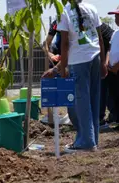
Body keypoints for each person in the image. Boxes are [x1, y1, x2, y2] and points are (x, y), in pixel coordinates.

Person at [44, 0, 107, 152]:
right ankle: (92, 140)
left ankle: (85, 142)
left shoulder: (64, 11)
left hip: (79, 61)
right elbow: (100, 39)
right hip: (95, 57)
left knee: (81, 103)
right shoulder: (92, 8)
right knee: (93, 100)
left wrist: (63, 67)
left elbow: (65, 43)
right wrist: (103, 63)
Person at [106, 6, 119, 125]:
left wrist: (117, 66)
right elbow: (109, 50)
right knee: (113, 96)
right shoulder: (115, 33)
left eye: (118, 16)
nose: (116, 18)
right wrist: (107, 62)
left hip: (117, 70)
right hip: (111, 71)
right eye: (115, 16)